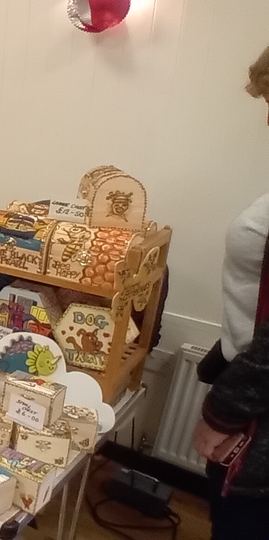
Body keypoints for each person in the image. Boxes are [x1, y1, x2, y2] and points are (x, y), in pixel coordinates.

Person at [193, 43, 269, 540]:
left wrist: (220, 412)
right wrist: (225, 352)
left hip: (256, 419)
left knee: (240, 525)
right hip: (245, 382)